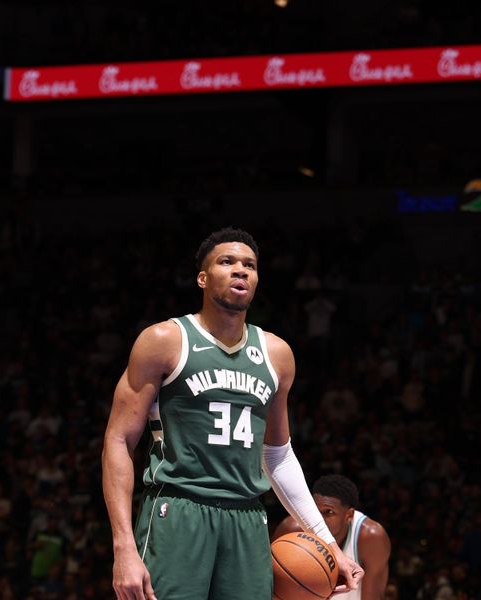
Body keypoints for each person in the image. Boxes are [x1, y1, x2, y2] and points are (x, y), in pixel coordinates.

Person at [102, 228, 363, 600]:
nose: (240, 270)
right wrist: (123, 547)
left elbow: (277, 455)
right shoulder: (163, 340)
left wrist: (328, 544)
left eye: (250, 265)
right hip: (178, 510)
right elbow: (118, 440)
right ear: (203, 278)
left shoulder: (277, 354)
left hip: (247, 517)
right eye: (227, 262)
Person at [273, 474, 391, 599]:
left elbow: (372, 597)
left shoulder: (370, 537)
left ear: (349, 515)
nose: (319, 519)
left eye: (329, 512)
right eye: (315, 511)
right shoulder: (292, 530)